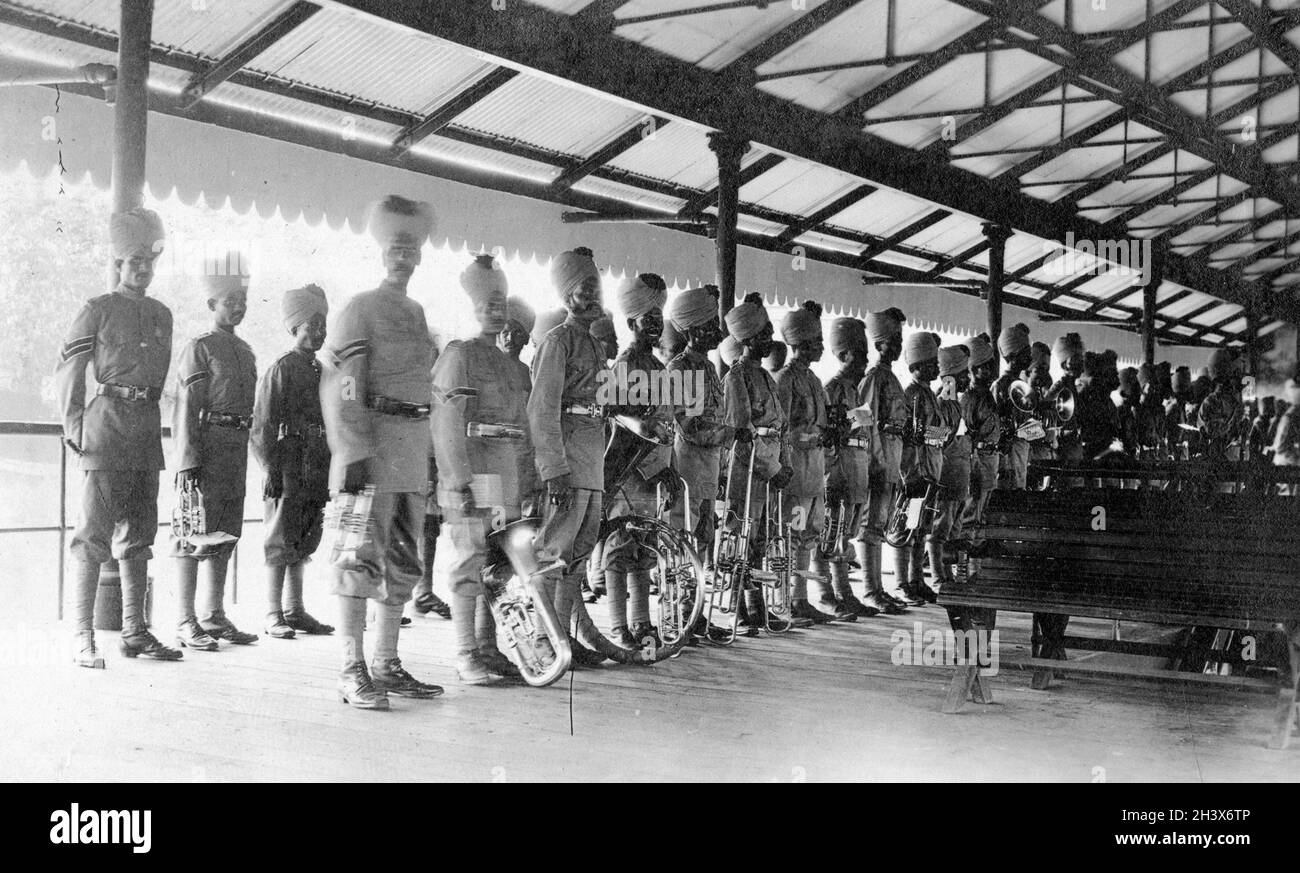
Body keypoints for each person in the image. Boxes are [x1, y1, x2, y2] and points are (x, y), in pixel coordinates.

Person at [320, 194, 444, 710]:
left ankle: (386, 662)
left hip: (411, 452)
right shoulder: (359, 308)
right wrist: (351, 451)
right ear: (381, 252)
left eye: (411, 248)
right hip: (368, 454)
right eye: (395, 247)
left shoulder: (416, 313)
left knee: (402, 559)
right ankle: (351, 669)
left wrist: (433, 459)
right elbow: (343, 383)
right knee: (356, 559)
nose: (404, 256)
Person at [57, 207, 180, 666]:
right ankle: (82, 635)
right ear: (118, 264)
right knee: (93, 535)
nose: (142, 269)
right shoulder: (98, 310)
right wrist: (74, 426)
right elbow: (68, 370)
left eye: (149, 261)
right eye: (133, 261)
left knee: (140, 533)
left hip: (145, 431)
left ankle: (135, 630)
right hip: (105, 429)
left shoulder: (162, 314)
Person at [432, 255, 536, 685]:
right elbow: (446, 423)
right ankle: (465, 653)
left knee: (498, 564)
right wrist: (458, 481)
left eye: (501, 304)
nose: (496, 311)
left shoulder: (516, 368)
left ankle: (489, 648)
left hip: (506, 478)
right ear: (473, 308)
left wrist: (530, 482)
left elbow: (526, 434)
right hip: (477, 476)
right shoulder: (461, 355)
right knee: (469, 560)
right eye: (488, 304)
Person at [171, 251, 259, 650]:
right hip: (205, 449)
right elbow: (186, 408)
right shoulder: (200, 348)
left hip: (235, 450)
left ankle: (214, 615)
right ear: (212, 305)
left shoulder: (246, 352)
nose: (238, 308)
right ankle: (185, 620)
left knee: (226, 531)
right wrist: (188, 460)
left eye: (242, 301)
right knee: (192, 532)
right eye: (230, 302)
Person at [528, 248, 611, 665]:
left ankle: (563, 640)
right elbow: (541, 410)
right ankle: (545, 643)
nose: (594, 295)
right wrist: (554, 469)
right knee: (552, 554)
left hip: (591, 461)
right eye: (584, 288)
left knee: (577, 557)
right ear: (566, 296)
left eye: (596, 286)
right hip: (568, 463)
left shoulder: (594, 346)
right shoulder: (557, 341)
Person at [251, 284, 335, 640]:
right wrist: (269, 468)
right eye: (310, 325)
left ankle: (295, 609)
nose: (317, 332)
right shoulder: (282, 369)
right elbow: (262, 423)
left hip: (315, 462)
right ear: (294, 327)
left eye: (322, 325)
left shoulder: (324, 370)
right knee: (280, 536)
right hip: (287, 462)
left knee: (305, 535)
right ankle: (273, 612)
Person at [602, 273, 677, 648]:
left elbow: (668, 423)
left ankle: (642, 623)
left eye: (659, 317)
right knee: (619, 548)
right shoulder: (626, 364)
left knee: (644, 549)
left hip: (655, 470)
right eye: (648, 318)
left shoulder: (660, 369)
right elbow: (613, 414)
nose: (656, 324)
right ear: (631, 323)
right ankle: (618, 626)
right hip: (629, 470)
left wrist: (670, 470)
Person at [723, 292, 793, 631]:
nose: (770, 339)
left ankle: (757, 606)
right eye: (764, 333)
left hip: (768, 467)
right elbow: (742, 434)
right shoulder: (736, 377)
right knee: (740, 536)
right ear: (748, 339)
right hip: (747, 469)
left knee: (762, 539)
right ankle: (738, 608)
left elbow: (780, 427)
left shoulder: (765, 376)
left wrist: (784, 462)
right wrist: (773, 468)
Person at [777, 301, 850, 623]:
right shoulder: (786, 380)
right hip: (794, 469)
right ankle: (787, 602)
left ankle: (801, 599)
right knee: (791, 534)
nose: (821, 348)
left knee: (808, 534)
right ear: (799, 346)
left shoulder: (814, 380)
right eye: (815, 343)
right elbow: (781, 429)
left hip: (814, 469)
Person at [821, 316, 877, 617]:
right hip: (840, 467)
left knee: (848, 531)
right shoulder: (831, 389)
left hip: (857, 466)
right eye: (859, 352)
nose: (865, 359)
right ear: (843, 354)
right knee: (833, 532)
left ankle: (845, 593)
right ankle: (829, 594)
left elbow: (864, 432)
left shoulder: (855, 391)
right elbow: (830, 434)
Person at [666, 286, 729, 551]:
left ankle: (697, 591)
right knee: (684, 529)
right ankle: (684, 589)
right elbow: (689, 425)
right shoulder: (680, 368)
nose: (719, 332)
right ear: (692, 331)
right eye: (710, 325)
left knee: (704, 530)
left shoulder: (709, 367)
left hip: (710, 462)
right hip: (690, 462)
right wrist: (729, 434)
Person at [855, 307, 909, 614]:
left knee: (882, 522)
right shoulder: (874, 378)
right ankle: (871, 590)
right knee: (871, 523)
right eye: (892, 341)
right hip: (879, 456)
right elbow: (866, 421)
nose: (898, 347)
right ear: (878, 346)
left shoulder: (891, 378)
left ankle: (880, 589)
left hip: (893, 454)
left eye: (900, 340)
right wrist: (874, 462)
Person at [896, 331, 947, 605]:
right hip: (918, 470)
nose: (937, 367)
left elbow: (936, 434)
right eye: (931, 363)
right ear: (916, 366)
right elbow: (910, 436)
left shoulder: (929, 394)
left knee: (922, 529)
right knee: (908, 528)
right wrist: (911, 472)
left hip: (931, 469)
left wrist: (937, 435)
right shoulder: (911, 394)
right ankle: (903, 582)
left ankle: (918, 579)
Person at [928, 345, 970, 589]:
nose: (967, 378)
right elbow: (936, 438)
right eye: (963, 374)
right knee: (940, 527)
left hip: (958, 474)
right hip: (947, 472)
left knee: (953, 527)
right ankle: (938, 576)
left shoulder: (955, 403)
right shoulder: (942, 402)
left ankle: (947, 575)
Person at [957, 334, 1000, 545]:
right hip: (978, 458)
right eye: (983, 366)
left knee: (983, 511)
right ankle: (964, 563)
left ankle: (975, 560)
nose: (989, 371)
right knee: (971, 510)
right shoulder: (970, 398)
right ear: (973, 370)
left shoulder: (987, 395)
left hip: (990, 457)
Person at [995, 323, 1033, 489]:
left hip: (1021, 451)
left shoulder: (1022, 385)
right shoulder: (1000, 386)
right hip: (1008, 455)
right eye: (1025, 353)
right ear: (1012, 355)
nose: (1030, 358)